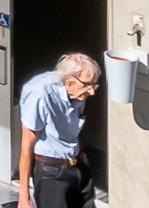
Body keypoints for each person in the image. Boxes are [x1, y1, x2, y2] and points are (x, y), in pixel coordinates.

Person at [19, 51, 98, 208]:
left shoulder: (77, 93)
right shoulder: (39, 93)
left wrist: (81, 157)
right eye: (87, 85)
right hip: (51, 173)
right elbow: (27, 145)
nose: (92, 91)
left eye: (94, 84)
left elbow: (72, 127)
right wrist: (24, 196)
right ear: (68, 82)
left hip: (76, 167)